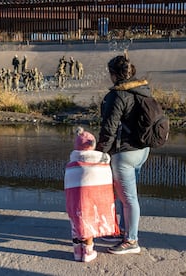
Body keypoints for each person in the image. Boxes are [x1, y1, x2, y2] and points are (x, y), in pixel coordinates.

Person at [96, 51, 150, 255]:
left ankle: (131, 240)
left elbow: (109, 128)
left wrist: (99, 153)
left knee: (128, 199)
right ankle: (124, 231)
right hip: (142, 150)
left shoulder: (117, 95)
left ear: (113, 74)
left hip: (125, 153)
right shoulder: (143, 90)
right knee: (127, 195)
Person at [64, 127, 119, 262]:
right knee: (88, 222)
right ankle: (88, 252)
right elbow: (106, 181)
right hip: (91, 200)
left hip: (74, 199)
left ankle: (77, 252)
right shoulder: (101, 162)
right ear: (93, 145)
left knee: (76, 222)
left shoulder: (71, 164)